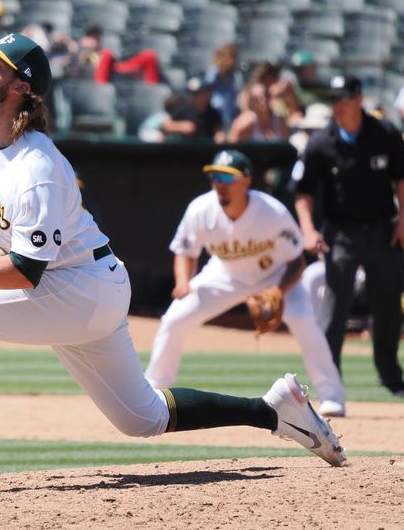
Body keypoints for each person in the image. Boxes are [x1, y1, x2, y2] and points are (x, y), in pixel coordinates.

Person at [0, 21, 345, 499]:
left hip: (75, 286)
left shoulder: (39, 168)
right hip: (84, 286)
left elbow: (23, 273)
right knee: (140, 417)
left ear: (21, 88)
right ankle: (272, 410)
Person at [144, 150, 346, 417]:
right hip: (225, 275)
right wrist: (183, 281)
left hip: (275, 276)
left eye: (228, 178)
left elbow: (297, 262)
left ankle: (332, 396)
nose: (219, 183)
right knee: (174, 319)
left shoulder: (271, 212)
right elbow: (185, 250)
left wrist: (279, 290)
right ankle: (154, 389)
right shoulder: (201, 209)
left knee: (304, 322)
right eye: (215, 176)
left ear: (247, 181)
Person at [294, 75, 404, 398]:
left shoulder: (384, 133)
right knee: (335, 305)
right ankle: (330, 383)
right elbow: (303, 191)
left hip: (381, 231)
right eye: (335, 99)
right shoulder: (322, 142)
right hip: (340, 233)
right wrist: (307, 228)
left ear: (359, 98)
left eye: (345, 98)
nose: (339, 105)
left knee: (387, 303)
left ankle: (391, 377)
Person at [67, 25, 160, 85]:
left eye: (96, 36)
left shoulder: (103, 52)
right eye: (91, 36)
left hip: (114, 71)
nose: (95, 39)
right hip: (92, 80)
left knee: (149, 55)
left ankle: (153, 90)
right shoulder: (76, 50)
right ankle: (100, 89)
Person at [160, 76, 225, 143]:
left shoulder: (213, 113)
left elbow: (218, 131)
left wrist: (219, 137)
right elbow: (166, 125)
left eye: (199, 93)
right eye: (194, 94)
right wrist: (180, 126)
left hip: (206, 149)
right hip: (186, 148)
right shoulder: (183, 109)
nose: (196, 97)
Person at [204, 43, 243, 131]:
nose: (234, 60)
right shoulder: (213, 71)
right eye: (231, 57)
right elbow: (208, 86)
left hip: (230, 113)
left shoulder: (234, 76)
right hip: (215, 113)